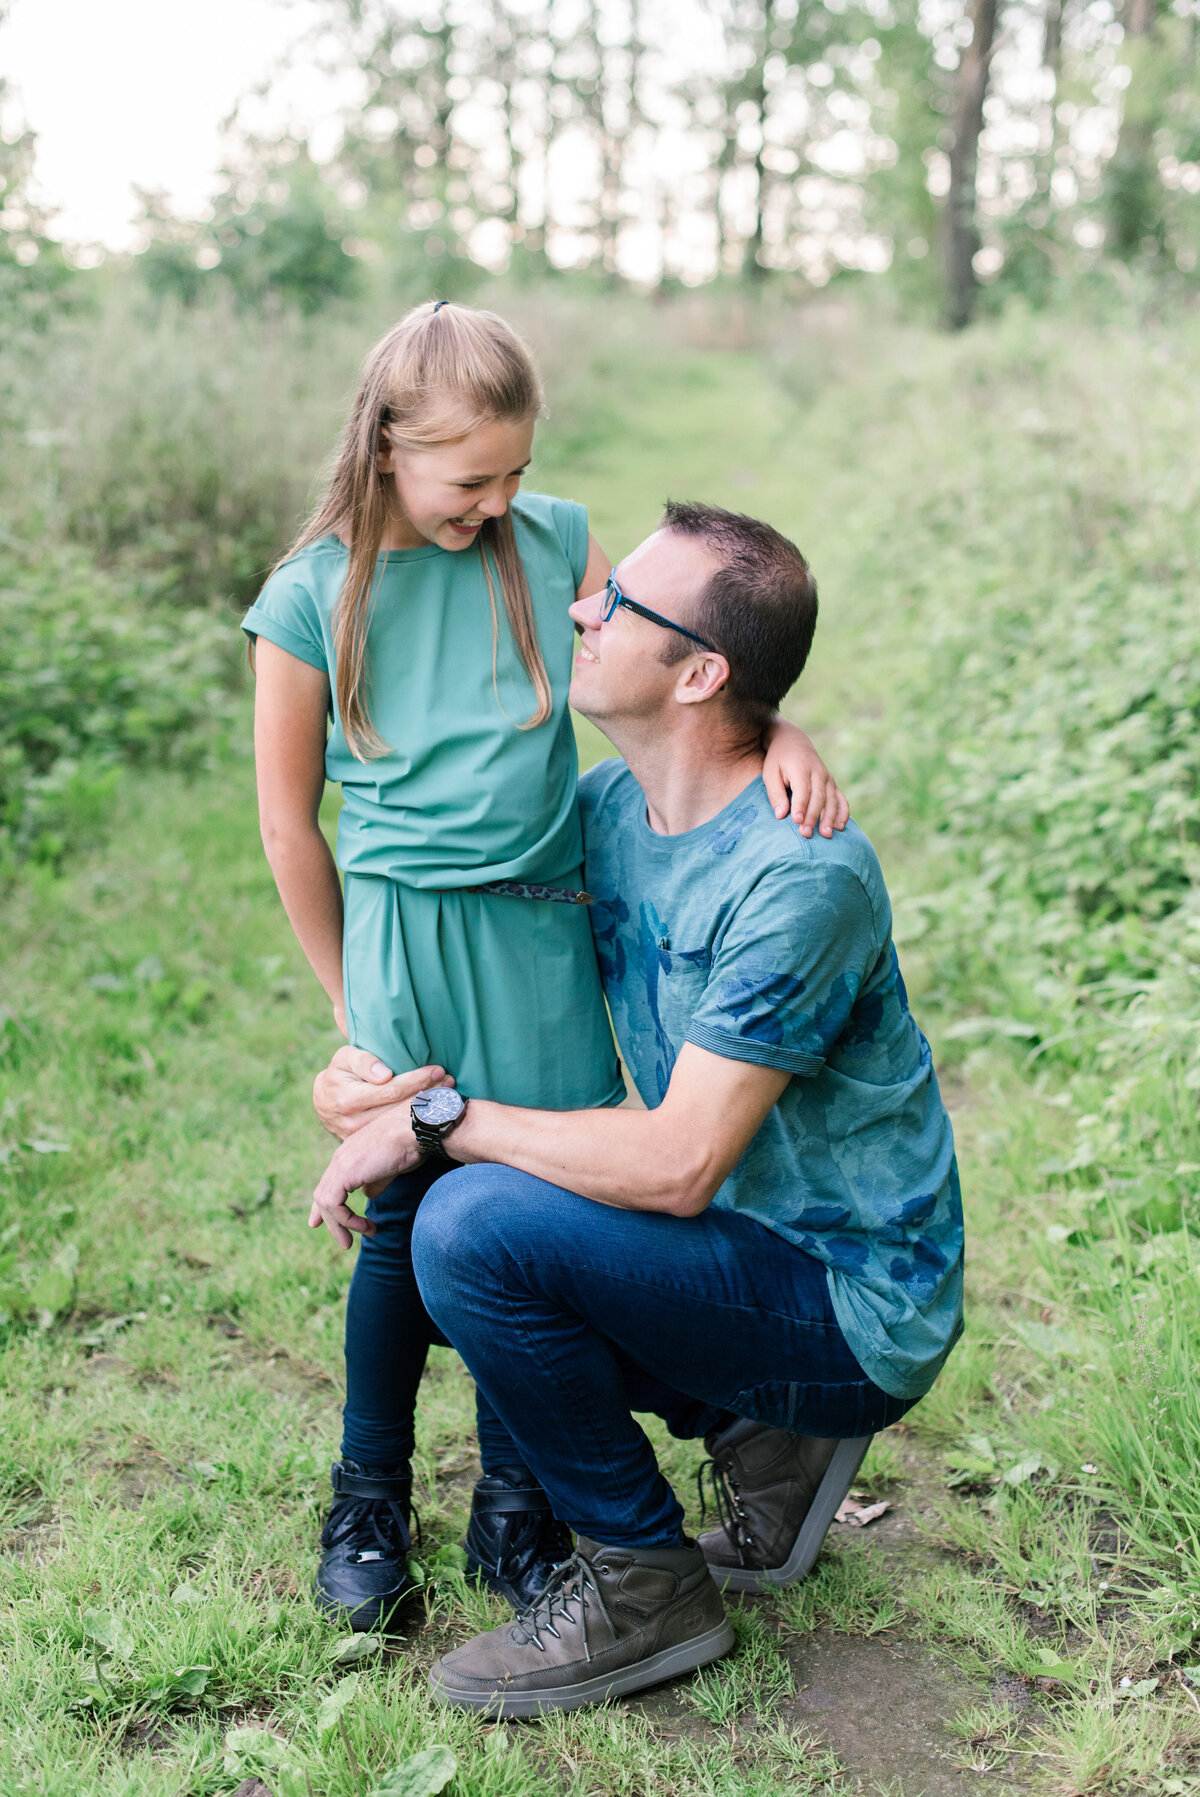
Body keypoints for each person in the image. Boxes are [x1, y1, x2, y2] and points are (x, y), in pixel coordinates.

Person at [242, 303, 846, 1631]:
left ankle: (518, 1498)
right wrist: (349, 1003)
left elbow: (685, 651)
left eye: (517, 471)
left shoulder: (554, 540)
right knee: (408, 1212)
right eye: (471, 479)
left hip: (542, 924)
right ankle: (369, 1493)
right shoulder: (309, 599)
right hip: (411, 931)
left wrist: (778, 726)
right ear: (389, 443)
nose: (498, 500)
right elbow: (290, 825)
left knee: (537, 1185)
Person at [310, 500, 964, 1719]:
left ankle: (642, 1579)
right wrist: (360, 1074)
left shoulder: (798, 875)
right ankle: (767, 1435)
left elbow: (676, 1166)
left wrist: (442, 1123)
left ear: (701, 671)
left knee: (472, 1226)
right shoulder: (611, 816)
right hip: (744, 1255)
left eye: (619, 605)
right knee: (462, 1199)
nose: (581, 607)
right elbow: (438, 905)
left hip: (852, 1298)